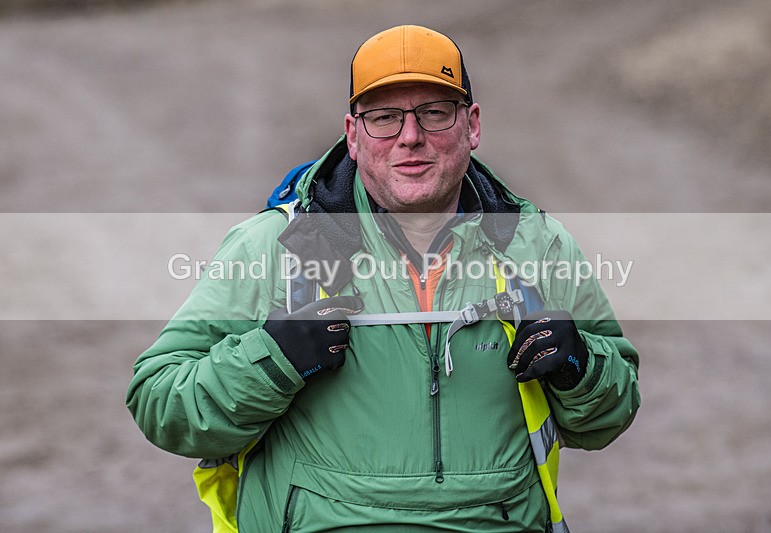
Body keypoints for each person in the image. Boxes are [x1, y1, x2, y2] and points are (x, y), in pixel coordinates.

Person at [127, 25, 640, 533]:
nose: (410, 137)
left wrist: (580, 367)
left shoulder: (538, 247)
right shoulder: (275, 247)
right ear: (353, 135)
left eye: (434, 113)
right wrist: (270, 360)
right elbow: (160, 402)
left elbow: (608, 417)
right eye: (384, 117)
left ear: (472, 125)